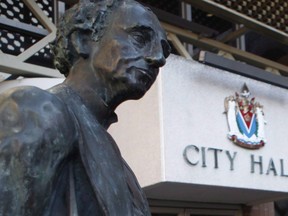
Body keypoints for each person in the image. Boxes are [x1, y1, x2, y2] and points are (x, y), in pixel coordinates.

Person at [0, 0, 171, 215]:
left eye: (164, 51)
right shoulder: (36, 109)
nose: (158, 59)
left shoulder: (114, 155)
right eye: (139, 38)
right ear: (81, 40)